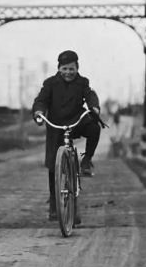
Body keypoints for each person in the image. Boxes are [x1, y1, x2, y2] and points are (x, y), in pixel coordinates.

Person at [31, 49, 104, 222]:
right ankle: (54, 206)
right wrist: (39, 112)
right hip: (56, 124)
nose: (68, 72)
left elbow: (90, 95)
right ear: (59, 68)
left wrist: (94, 107)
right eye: (64, 69)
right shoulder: (50, 83)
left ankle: (86, 161)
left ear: (77, 68)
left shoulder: (83, 82)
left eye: (71, 69)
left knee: (94, 127)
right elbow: (41, 100)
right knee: (52, 164)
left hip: (76, 121)